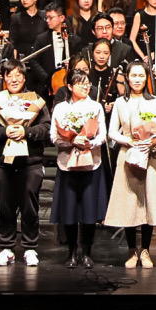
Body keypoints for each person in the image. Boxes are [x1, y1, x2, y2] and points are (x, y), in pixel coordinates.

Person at [0, 60, 51, 267]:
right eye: (9, 75)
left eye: (18, 75)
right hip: (2, 162)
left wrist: (25, 131)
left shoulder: (35, 99)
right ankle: (6, 247)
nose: (13, 79)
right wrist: (5, 131)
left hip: (30, 162)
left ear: (24, 77)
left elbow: (46, 128)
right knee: (4, 206)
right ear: (3, 78)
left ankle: (30, 248)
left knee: (30, 207)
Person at [105, 61, 156, 269]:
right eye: (133, 76)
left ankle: (145, 250)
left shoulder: (154, 101)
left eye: (141, 76)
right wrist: (129, 141)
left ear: (146, 78)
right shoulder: (120, 102)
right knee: (129, 203)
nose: (137, 80)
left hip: (149, 155)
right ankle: (131, 250)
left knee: (148, 203)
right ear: (127, 78)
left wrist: (154, 141)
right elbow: (112, 131)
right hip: (128, 155)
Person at [50, 68, 110, 268]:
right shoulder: (61, 108)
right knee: (69, 211)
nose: (85, 86)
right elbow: (53, 136)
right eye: (80, 83)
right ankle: (71, 253)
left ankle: (87, 253)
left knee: (89, 211)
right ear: (70, 86)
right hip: (67, 164)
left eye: (87, 83)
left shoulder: (96, 107)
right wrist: (71, 141)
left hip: (91, 164)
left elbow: (102, 135)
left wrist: (89, 143)